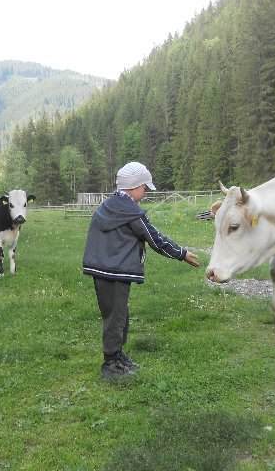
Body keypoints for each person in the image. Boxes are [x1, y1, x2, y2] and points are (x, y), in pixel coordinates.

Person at [82, 161, 200, 379]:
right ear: (134, 187)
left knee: (118, 314)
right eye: (145, 188)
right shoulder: (131, 213)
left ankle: (117, 355)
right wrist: (181, 253)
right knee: (116, 317)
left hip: (102, 271)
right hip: (116, 273)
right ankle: (110, 365)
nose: (145, 193)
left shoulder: (106, 207)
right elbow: (155, 239)